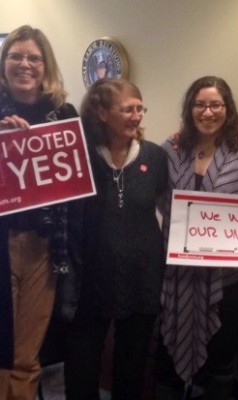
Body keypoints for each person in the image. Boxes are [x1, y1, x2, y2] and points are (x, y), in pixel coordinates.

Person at [155, 76, 238, 399]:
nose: (208, 111)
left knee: (220, 364)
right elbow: (158, 199)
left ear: (227, 110)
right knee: (166, 364)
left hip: (226, 282)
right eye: (200, 104)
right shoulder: (168, 152)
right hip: (176, 278)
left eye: (216, 104)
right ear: (190, 110)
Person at [63, 78, 167, 400]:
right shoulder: (79, 156)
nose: (136, 116)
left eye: (140, 109)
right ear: (103, 113)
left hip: (143, 281)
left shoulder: (155, 156)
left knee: (131, 370)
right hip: (90, 282)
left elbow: (171, 207)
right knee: (81, 368)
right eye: (127, 109)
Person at [0, 25, 81, 399]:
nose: (24, 64)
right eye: (15, 56)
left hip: (43, 248)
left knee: (27, 353)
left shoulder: (63, 114)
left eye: (33, 57)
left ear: (45, 66)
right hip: (2, 242)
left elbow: (78, 177)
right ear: (4, 63)